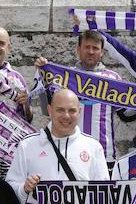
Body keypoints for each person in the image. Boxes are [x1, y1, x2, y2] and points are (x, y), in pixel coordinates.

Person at [33, 31, 123, 163]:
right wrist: (42, 74)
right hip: (69, 154)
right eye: (87, 47)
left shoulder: (114, 79)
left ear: (102, 52)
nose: (91, 51)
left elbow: (126, 114)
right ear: (78, 49)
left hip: (104, 156)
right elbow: (46, 110)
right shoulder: (64, 77)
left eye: (95, 48)